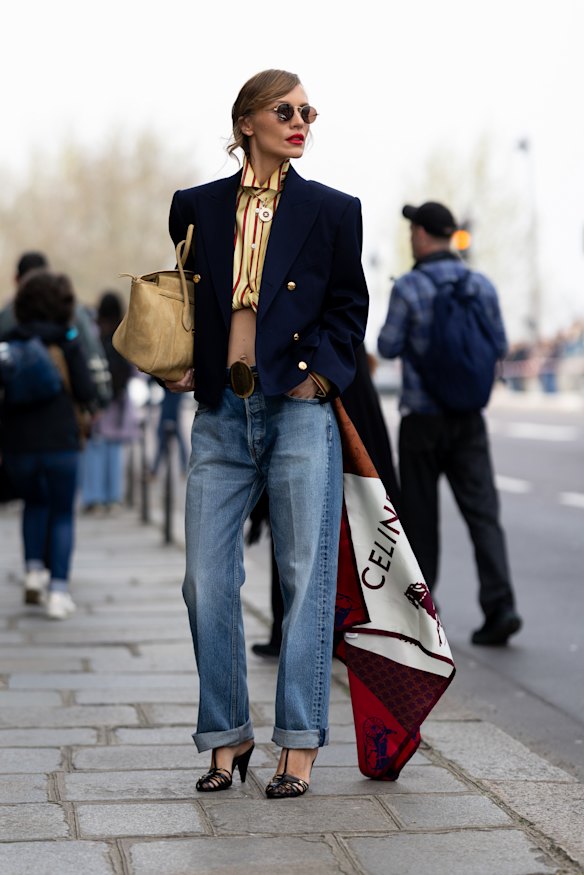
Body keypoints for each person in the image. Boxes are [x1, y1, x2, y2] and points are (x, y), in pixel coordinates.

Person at [165, 69, 368, 798]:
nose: (300, 122)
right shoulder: (195, 206)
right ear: (246, 121)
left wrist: (321, 380)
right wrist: (181, 359)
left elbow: (349, 308)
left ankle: (299, 743)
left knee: (305, 576)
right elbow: (187, 298)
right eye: (285, 110)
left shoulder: (334, 210)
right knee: (204, 580)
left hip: (297, 409)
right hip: (222, 412)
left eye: (308, 111)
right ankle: (228, 733)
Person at [377, 201, 522, 646]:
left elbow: (387, 346)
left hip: (422, 420)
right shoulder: (480, 285)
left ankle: (423, 620)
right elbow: (500, 343)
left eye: (412, 231)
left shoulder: (410, 287)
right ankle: (500, 607)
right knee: (483, 515)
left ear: (422, 235)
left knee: (420, 520)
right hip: (468, 420)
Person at [250, 341, 401, 658]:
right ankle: (330, 629)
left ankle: (302, 631)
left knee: (295, 512)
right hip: (332, 386)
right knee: (320, 518)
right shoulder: (346, 349)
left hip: (314, 386)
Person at [0, 270, 98, 618]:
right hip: (61, 441)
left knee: (34, 504)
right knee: (61, 514)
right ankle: (57, 592)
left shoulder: (9, 341)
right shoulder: (67, 340)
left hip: (18, 443)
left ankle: (32, 573)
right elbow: (86, 391)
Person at [0, 251, 112, 410]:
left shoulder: (6, 317)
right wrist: (100, 400)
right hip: (65, 414)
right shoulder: (72, 324)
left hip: (14, 418)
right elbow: (93, 359)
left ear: (16, 279)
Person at [80, 291, 138, 513]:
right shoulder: (125, 332)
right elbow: (135, 367)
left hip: (98, 400)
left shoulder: (94, 332)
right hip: (119, 401)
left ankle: (93, 497)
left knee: (94, 448)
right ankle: (113, 497)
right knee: (114, 450)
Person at [150, 387, 189, 477]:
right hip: (169, 415)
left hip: (170, 416)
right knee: (162, 443)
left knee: (165, 443)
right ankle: (184, 468)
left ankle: (184, 468)